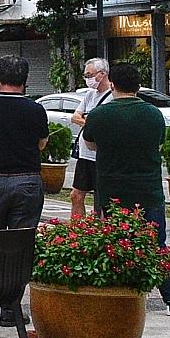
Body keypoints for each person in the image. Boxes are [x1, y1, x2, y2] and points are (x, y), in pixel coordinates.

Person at [82, 61, 170, 316]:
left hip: (111, 191)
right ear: (139, 86)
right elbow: (158, 144)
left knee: (115, 242)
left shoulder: (99, 114)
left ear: (113, 84)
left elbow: (91, 144)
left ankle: (118, 294)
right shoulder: (153, 114)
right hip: (148, 190)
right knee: (156, 244)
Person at [0, 56, 50, 325]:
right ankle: (11, 308)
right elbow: (41, 143)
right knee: (20, 244)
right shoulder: (35, 110)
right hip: (26, 180)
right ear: (25, 80)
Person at [69, 57, 113, 219]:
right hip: (84, 155)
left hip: (101, 156)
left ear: (102, 74)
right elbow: (75, 117)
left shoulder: (112, 96)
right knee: (76, 195)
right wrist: (90, 122)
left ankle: (103, 235)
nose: (88, 79)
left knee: (104, 200)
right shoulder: (89, 95)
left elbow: (104, 125)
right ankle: (78, 232)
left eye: (90, 75)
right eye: (86, 76)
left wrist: (89, 121)